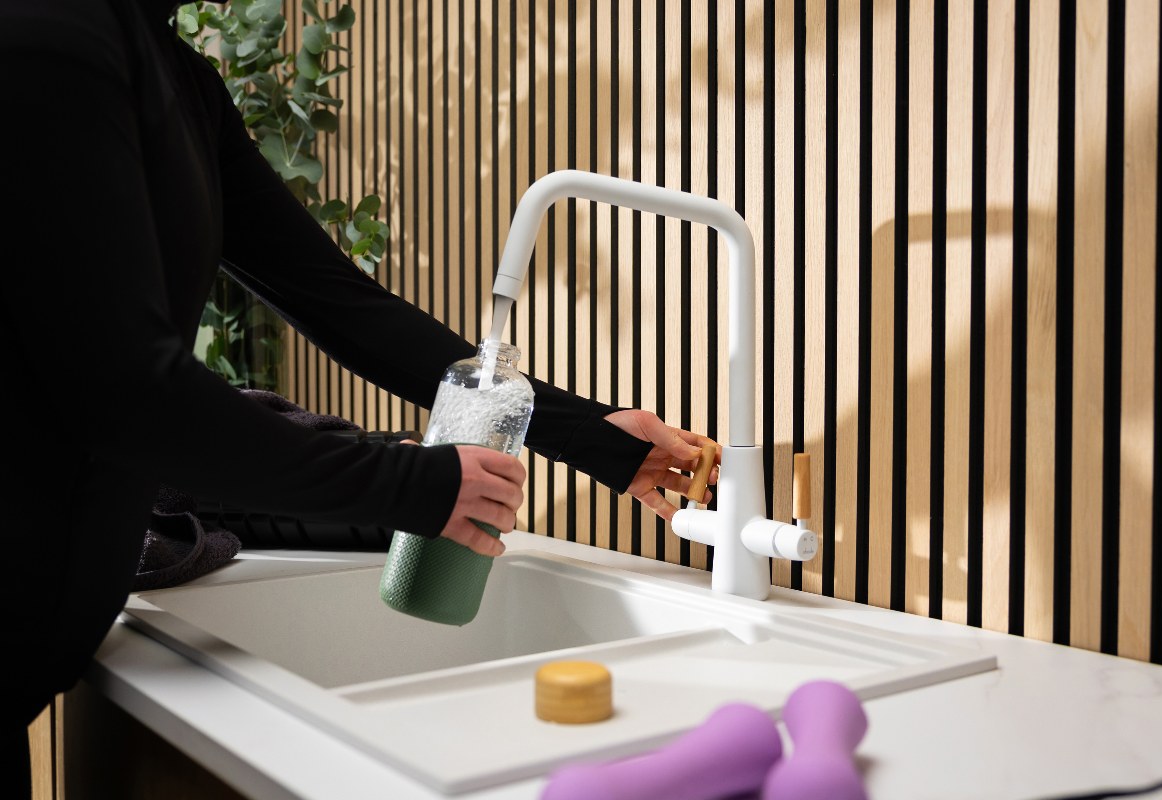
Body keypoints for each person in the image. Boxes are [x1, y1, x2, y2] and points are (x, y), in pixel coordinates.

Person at [0, 0, 721, 793]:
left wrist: (598, 439)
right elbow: (125, 391)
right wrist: (409, 486)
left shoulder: (174, 76)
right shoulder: (46, 33)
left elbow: (338, 301)